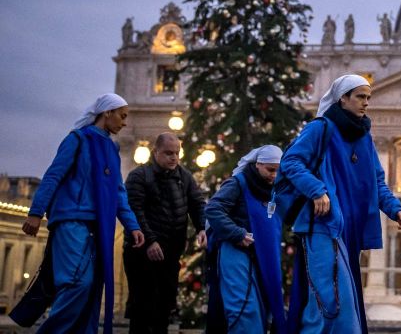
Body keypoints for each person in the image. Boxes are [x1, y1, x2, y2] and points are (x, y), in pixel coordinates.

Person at [280, 75, 401, 334]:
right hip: (323, 224)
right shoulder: (320, 128)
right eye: (360, 97)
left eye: (368, 98)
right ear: (342, 98)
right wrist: (317, 190)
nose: (366, 103)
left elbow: (376, 181)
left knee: (338, 298)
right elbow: (291, 162)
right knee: (331, 300)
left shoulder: (364, 137)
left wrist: (395, 208)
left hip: (351, 229)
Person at [15, 93, 145, 334]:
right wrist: (35, 212)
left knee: (93, 288)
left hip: (98, 227)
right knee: (78, 283)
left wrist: (133, 226)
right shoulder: (77, 139)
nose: (125, 122)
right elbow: (54, 175)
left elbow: (118, 192)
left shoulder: (111, 148)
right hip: (71, 221)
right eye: (122, 116)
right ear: (107, 112)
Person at [124, 133, 207, 334]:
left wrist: (202, 227)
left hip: (171, 252)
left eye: (177, 153)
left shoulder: (184, 176)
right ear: (156, 152)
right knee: (143, 306)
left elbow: (197, 204)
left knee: (164, 305)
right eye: (168, 153)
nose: (174, 158)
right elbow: (135, 211)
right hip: (141, 252)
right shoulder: (139, 176)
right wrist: (150, 241)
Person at [205, 145, 287, 333]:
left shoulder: (275, 190)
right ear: (258, 164)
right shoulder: (237, 183)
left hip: (262, 257)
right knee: (243, 310)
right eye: (270, 170)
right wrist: (237, 234)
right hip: (235, 254)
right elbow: (213, 209)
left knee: (261, 311)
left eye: (278, 171)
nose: (274, 175)